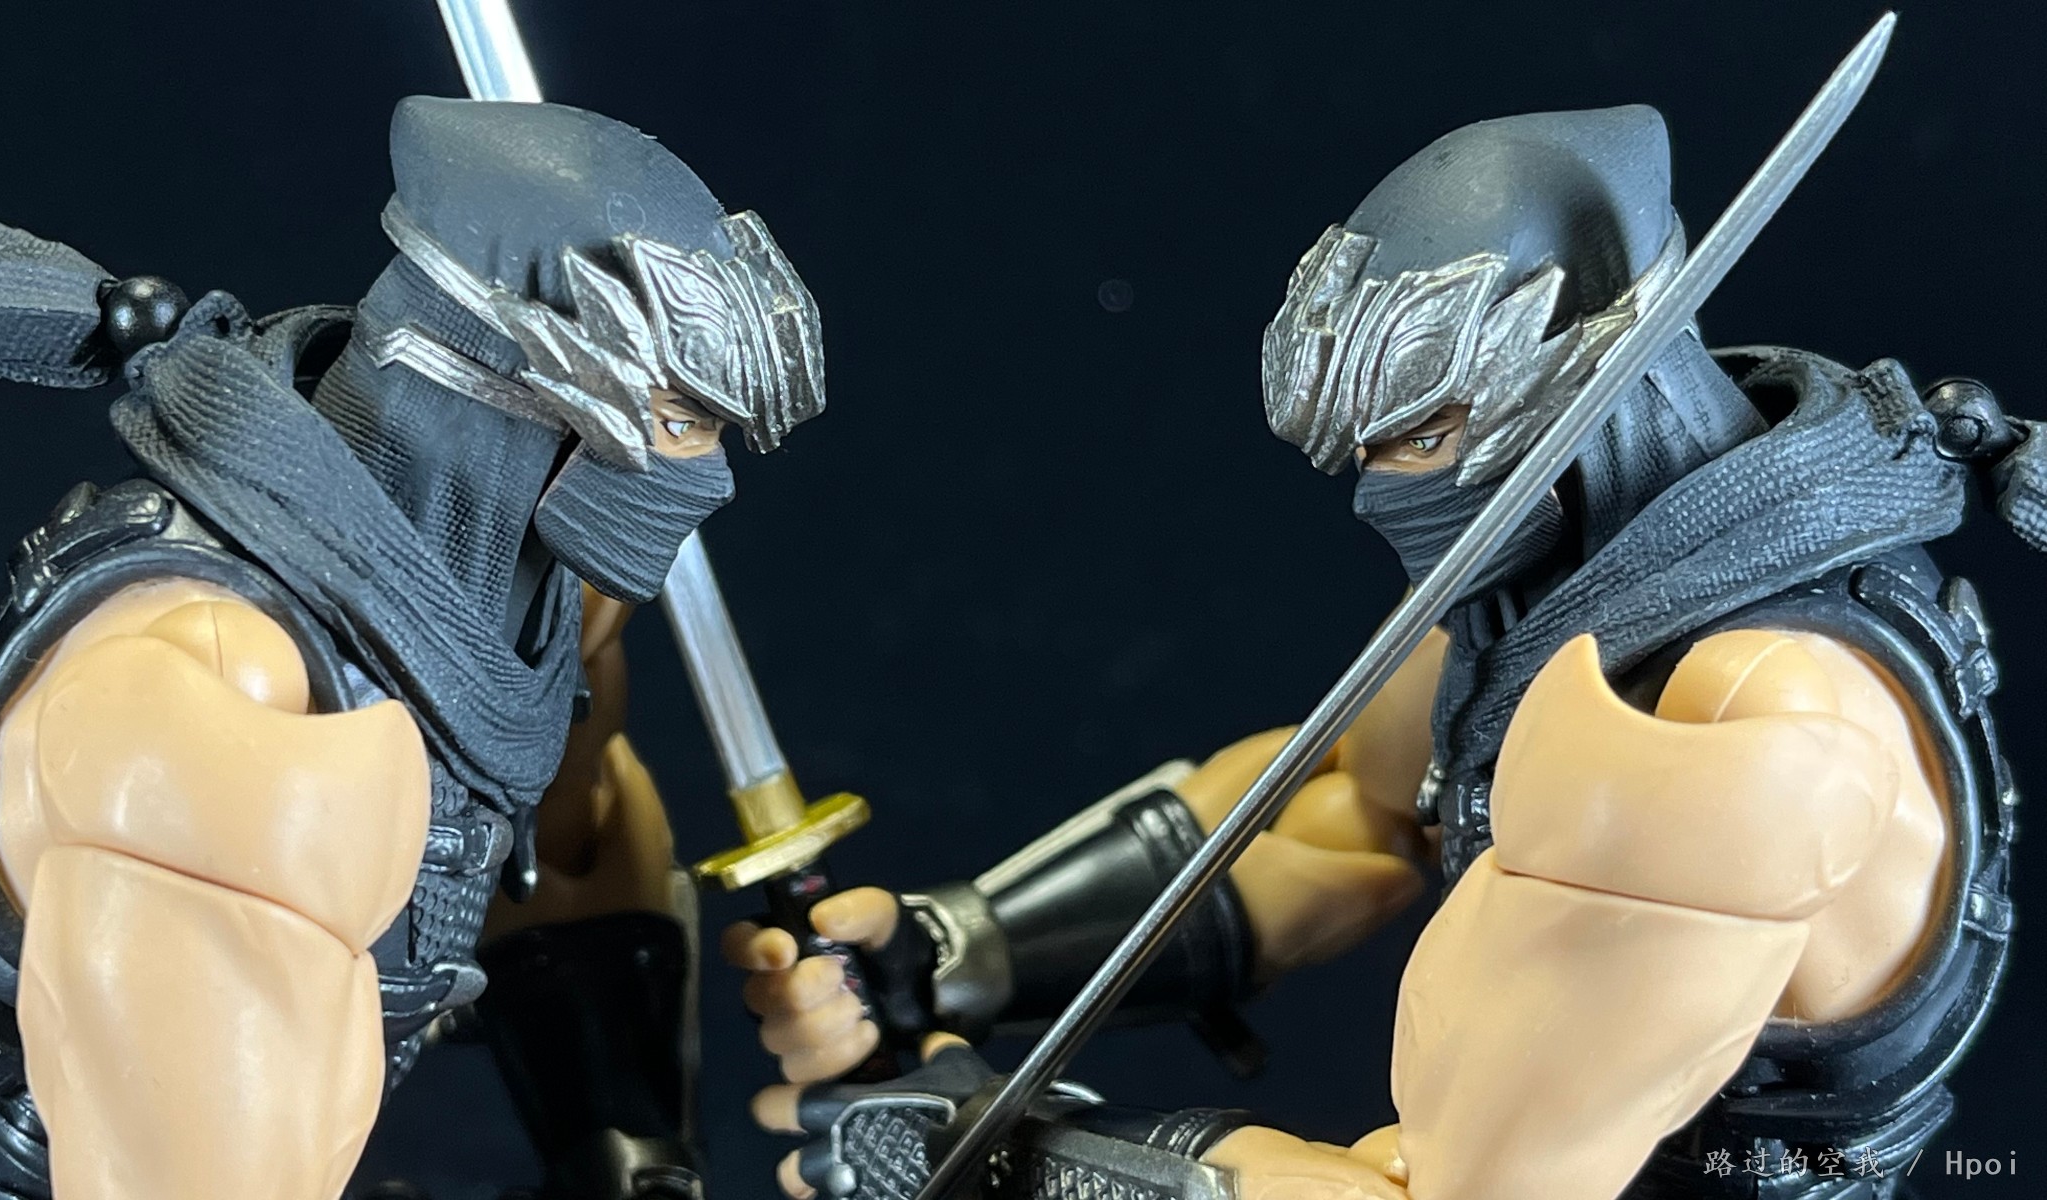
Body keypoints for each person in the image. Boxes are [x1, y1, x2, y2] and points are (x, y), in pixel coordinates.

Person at [726, 106, 2021, 1200]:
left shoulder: (1737, 719)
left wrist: (985, 1158)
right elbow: (1356, 812)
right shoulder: (1576, 587)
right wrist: (957, 950)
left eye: (1421, 440)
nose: (1383, 494)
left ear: (1579, 390)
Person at [0, 96, 825, 1200]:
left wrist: (636, 1150)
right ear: (511, 377)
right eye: (680, 420)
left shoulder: (518, 625)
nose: (703, 477)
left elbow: (560, 851)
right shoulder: (225, 699)